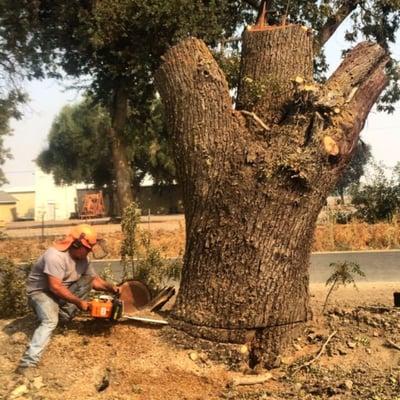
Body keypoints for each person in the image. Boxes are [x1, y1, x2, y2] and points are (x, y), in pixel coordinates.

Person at [17, 224, 118, 373]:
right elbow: (55, 287)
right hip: (41, 293)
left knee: (87, 280)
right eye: (88, 248)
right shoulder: (55, 256)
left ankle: (62, 316)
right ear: (76, 244)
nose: (90, 251)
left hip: (61, 291)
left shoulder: (83, 260)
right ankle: (28, 363)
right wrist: (79, 302)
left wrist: (113, 288)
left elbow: (94, 280)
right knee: (50, 321)